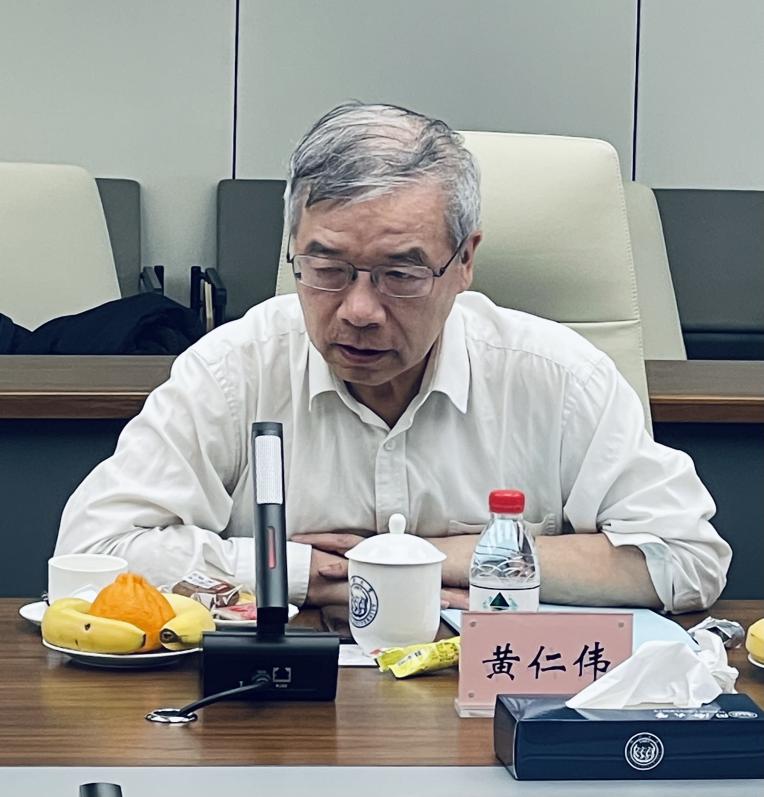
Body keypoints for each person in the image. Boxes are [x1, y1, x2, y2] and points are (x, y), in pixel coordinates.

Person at [56, 101, 731, 613]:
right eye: (326, 268)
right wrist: (300, 571)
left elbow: (687, 556)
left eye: (399, 275)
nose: (358, 310)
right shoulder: (234, 370)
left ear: (464, 261)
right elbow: (89, 553)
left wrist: (428, 560)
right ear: (293, 249)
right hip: (281, 717)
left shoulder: (557, 376)